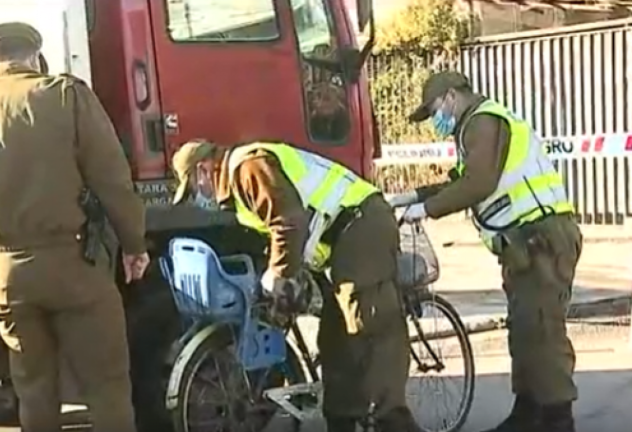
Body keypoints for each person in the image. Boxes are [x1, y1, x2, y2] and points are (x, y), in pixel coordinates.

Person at [0, 22, 149, 432]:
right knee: (107, 387)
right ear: (33, 57)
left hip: (5, 276)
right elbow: (112, 180)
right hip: (74, 267)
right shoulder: (65, 95)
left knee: (33, 391)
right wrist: (134, 244)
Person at [170, 140, 421, 432]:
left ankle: (394, 422)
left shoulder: (248, 168)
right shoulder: (236, 189)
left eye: (193, 189)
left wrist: (279, 272)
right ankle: (342, 421)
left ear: (203, 170)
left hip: (362, 223)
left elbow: (289, 222)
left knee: (365, 326)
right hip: (340, 237)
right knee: (334, 339)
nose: (197, 198)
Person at [393, 71, 583, 432]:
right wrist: (413, 196)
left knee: (542, 330)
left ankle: (558, 419)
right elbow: (461, 181)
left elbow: (478, 183)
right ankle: (527, 413)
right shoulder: (474, 128)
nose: (434, 121)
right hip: (523, 245)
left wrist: (426, 210)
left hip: (541, 238)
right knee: (524, 329)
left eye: (433, 110)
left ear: (451, 97)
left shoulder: (483, 122)